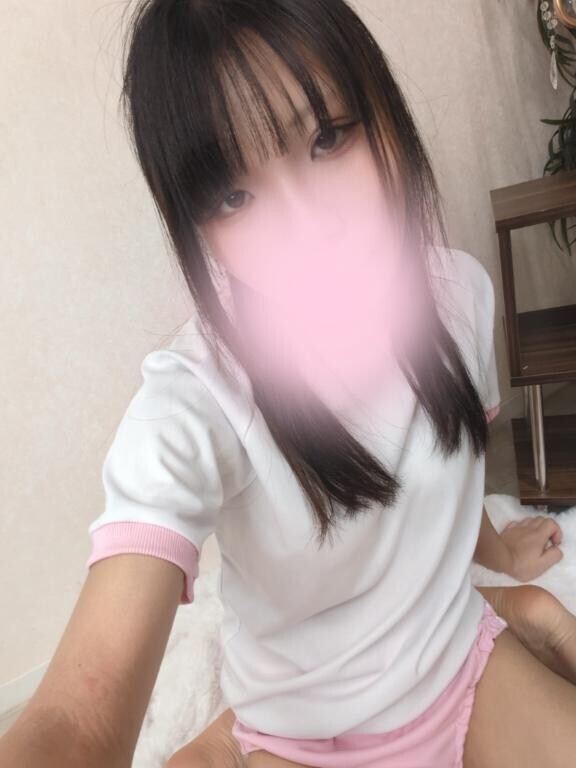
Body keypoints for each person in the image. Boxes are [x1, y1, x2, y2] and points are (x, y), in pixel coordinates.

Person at [2, 2, 576, 767]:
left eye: (327, 137)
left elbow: (442, 478)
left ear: (383, 108)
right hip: (304, 740)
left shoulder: (461, 296)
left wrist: (499, 554)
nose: (307, 228)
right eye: (233, 196)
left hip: (462, 668)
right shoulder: (195, 402)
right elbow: (77, 716)